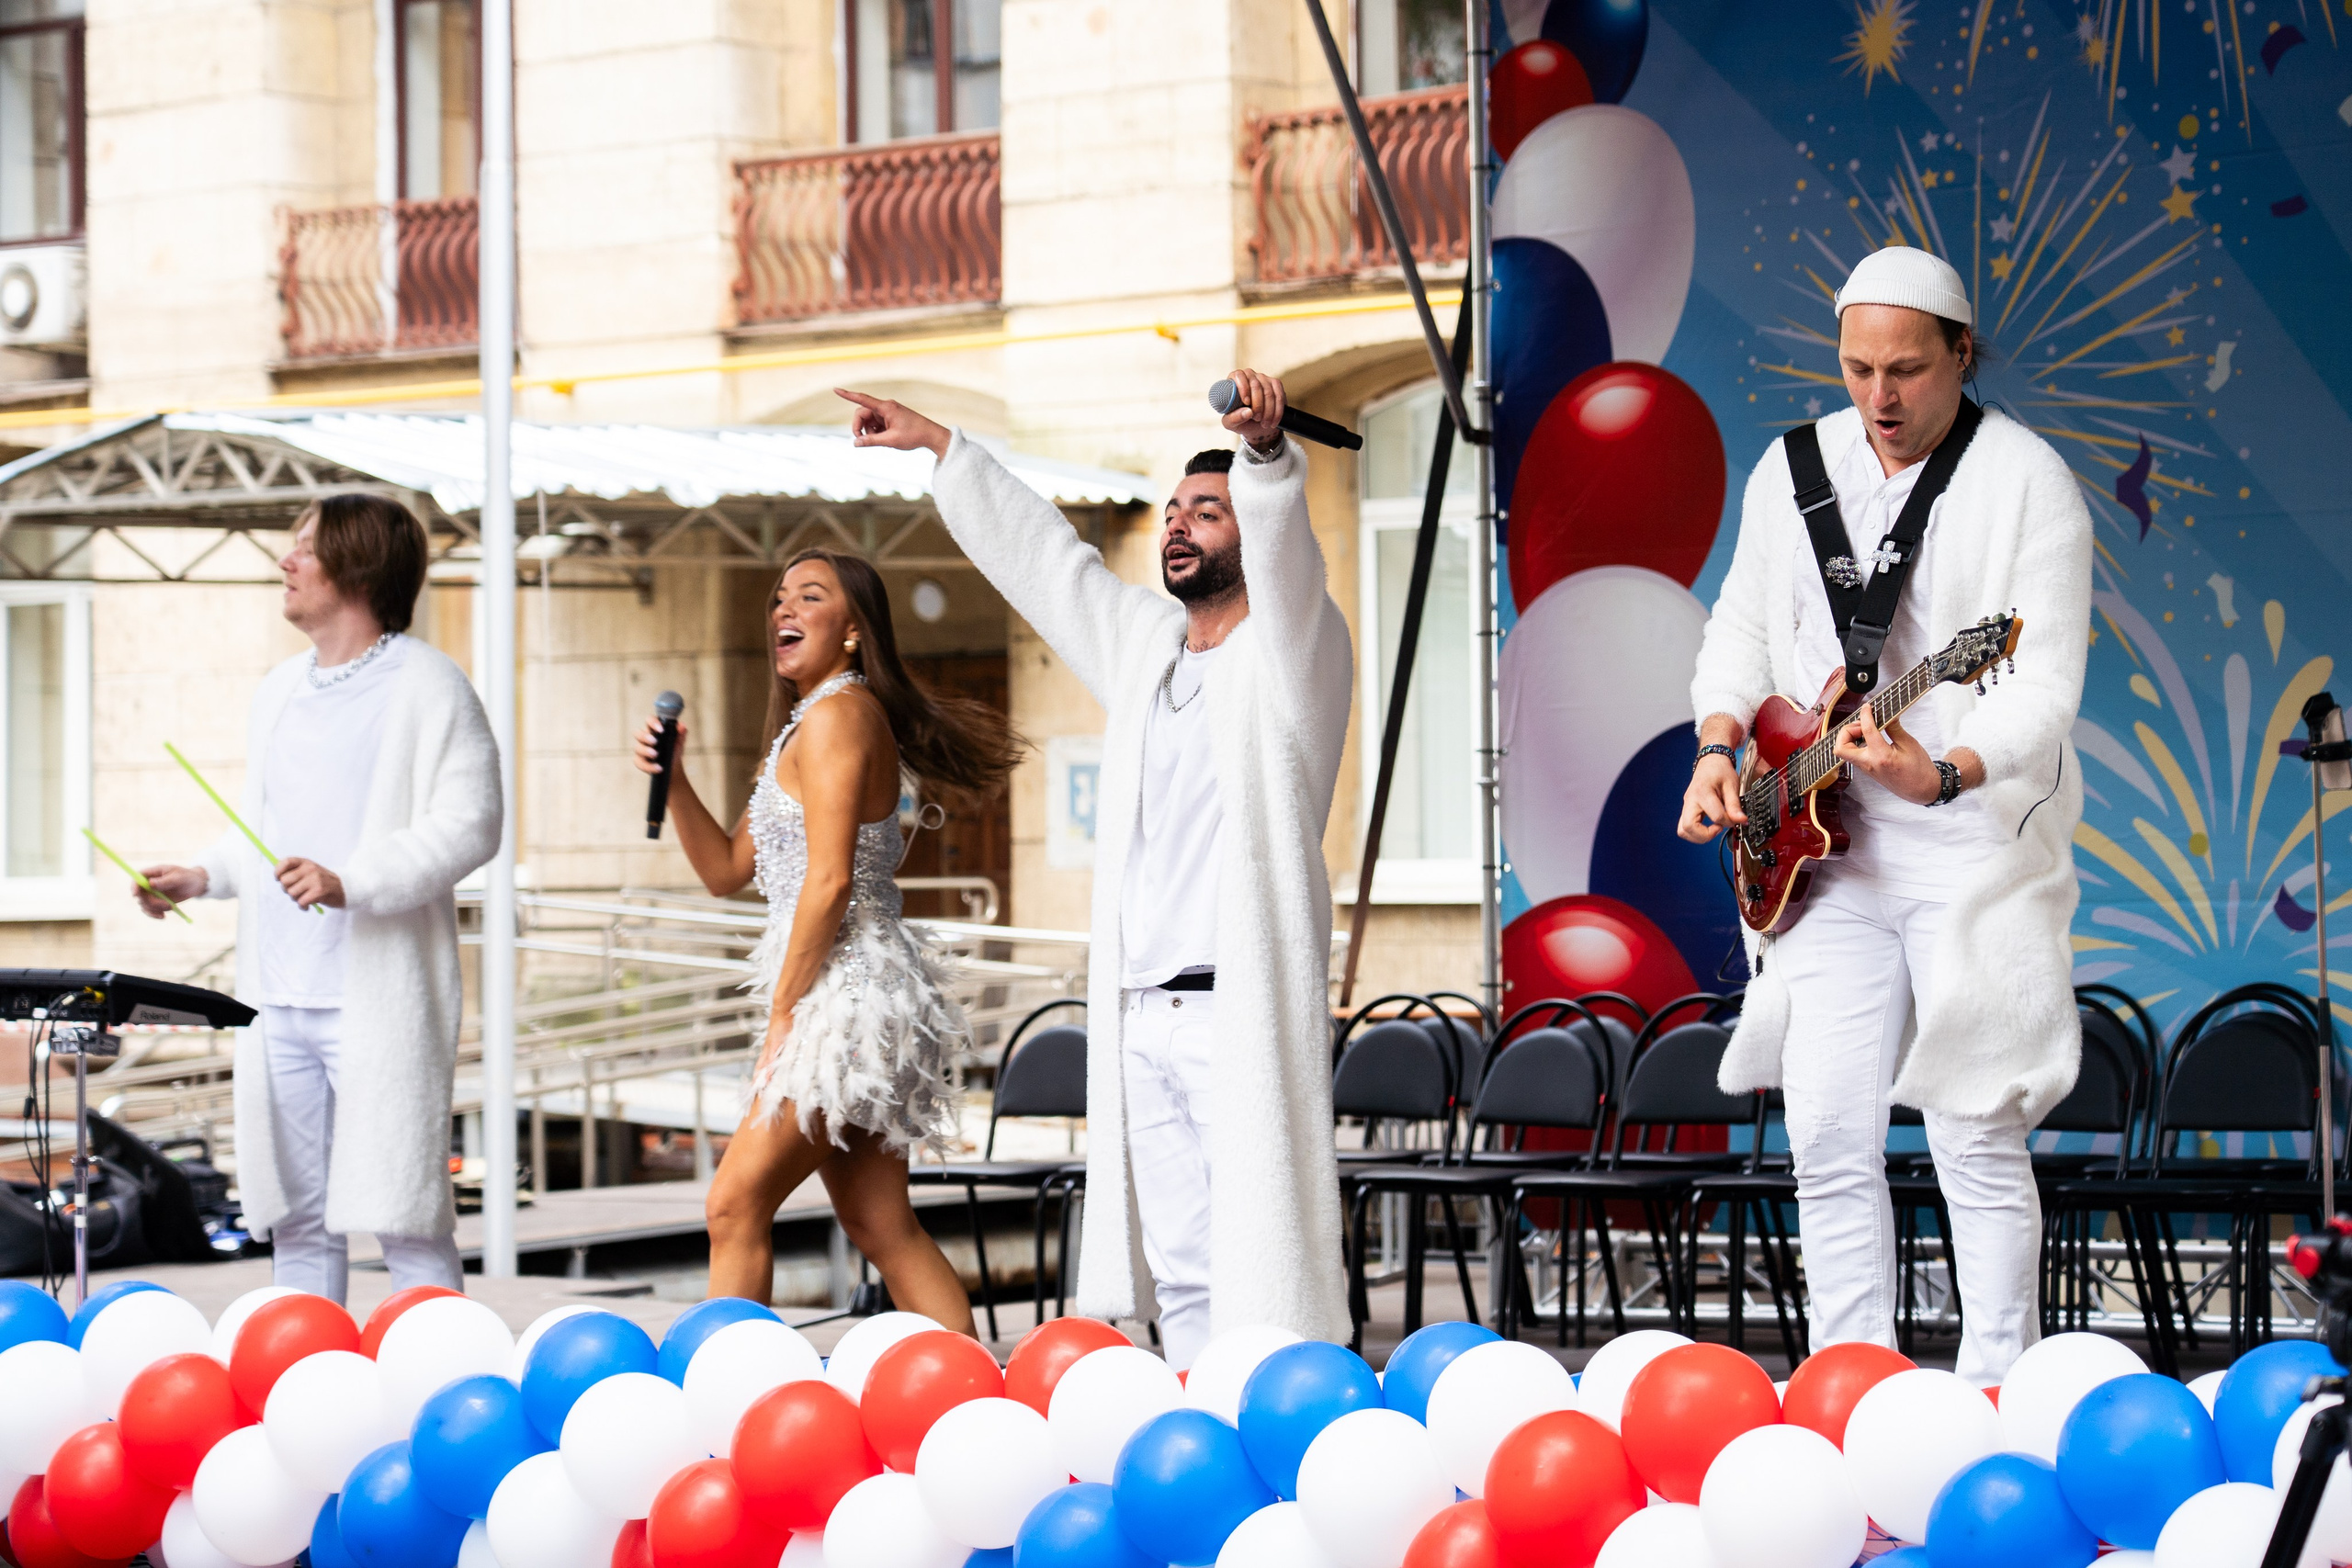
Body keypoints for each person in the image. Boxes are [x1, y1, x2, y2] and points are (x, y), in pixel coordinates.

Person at [838, 371, 1354, 1368]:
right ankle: (1205, 1424)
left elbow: (1292, 565)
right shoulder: (1145, 649)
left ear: (1253, 525)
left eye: (1207, 513)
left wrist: (1263, 457)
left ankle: (1280, 1434)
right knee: (1184, 1266)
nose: (1178, 527)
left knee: (1264, 1266)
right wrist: (944, 448)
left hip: (1231, 1012)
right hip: (1139, 1013)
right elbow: (1051, 567)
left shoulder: (1295, 655)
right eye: (1171, 512)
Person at [1679, 246, 2091, 1384]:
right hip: (1823, 850)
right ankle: (1846, 1388)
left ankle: (1996, 1389)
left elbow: (2045, 685)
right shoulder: (1790, 467)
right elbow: (1741, 631)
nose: (1879, 398)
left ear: (1964, 352)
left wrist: (1946, 769)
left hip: (1966, 842)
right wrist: (1719, 746)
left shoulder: (2025, 480)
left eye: (1906, 369)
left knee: (1971, 1123)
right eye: (1857, 368)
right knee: (1824, 1132)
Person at [634, 547, 1018, 1329]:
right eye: (779, 598)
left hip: (842, 995)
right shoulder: (807, 727)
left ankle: (728, 1393)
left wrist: (784, 1014)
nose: (785, 610)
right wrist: (675, 781)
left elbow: (831, 881)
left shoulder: (841, 716)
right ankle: (976, 1391)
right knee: (882, 1224)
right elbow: (726, 868)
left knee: (735, 1203)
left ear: (852, 631)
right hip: (845, 989)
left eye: (810, 597)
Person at [135, 494, 501, 1303]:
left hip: (375, 998)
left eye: (305, 547)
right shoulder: (277, 692)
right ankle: (306, 1381)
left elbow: (472, 825)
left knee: (407, 1215)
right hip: (277, 999)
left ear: (357, 566)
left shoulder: (430, 686)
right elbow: (267, 831)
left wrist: (353, 882)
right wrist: (202, 874)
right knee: (295, 1218)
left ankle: (437, 1379)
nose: (285, 562)